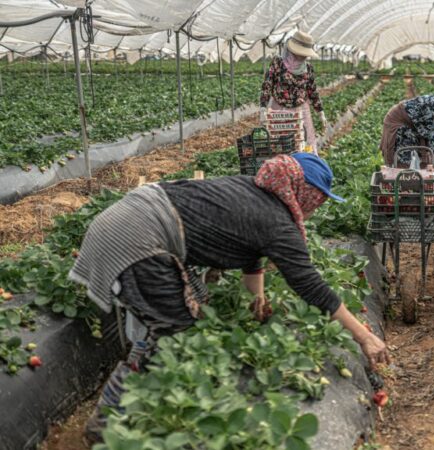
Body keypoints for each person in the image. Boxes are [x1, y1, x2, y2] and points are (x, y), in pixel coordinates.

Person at [70, 153, 390, 442]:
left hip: (125, 221)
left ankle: (141, 398)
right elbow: (309, 285)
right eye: (318, 201)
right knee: (173, 334)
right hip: (134, 239)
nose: (315, 209)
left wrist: (257, 301)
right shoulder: (276, 221)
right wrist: (363, 336)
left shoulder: (252, 191)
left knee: (187, 310)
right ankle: (107, 420)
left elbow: (250, 254)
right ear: (305, 192)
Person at [260, 31, 327, 153]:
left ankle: (303, 164)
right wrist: (263, 108)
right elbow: (267, 85)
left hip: (301, 111)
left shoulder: (308, 68)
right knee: (280, 146)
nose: (303, 56)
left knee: (304, 144)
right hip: (279, 111)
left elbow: (312, 91)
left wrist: (320, 111)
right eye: (301, 53)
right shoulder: (278, 63)